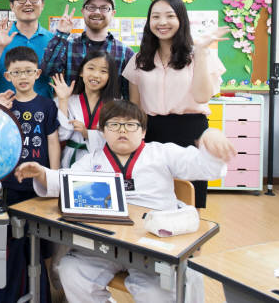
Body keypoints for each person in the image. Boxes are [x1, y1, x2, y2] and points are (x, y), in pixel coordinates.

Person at [15, 99, 236, 303]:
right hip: (106, 244)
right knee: (71, 271)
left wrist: (212, 143)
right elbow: (66, 181)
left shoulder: (162, 153)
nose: (122, 130)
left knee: (156, 293)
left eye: (130, 125)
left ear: (144, 131)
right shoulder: (92, 160)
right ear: (102, 131)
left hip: (152, 246)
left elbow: (203, 166)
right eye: (114, 125)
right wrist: (41, 173)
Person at [122, 0, 228, 208]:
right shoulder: (139, 58)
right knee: (153, 198)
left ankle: (191, 240)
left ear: (181, 19)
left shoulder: (200, 53)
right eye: (156, 16)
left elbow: (202, 97)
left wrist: (199, 52)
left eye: (170, 16)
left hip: (190, 129)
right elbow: (134, 106)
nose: (162, 22)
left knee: (189, 199)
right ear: (149, 21)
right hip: (151, 131)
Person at [0, 46, 60, 303]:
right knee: (14, 243)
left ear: (37, 73)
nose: (22, 76)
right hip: (11, 185)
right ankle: (11, 295)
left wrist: (53, 175)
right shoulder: (3, 105)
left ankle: (40, 296)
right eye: (16, 72)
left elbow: (53, 140)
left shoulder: (46, 104)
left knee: (40, 246)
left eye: (28, 71)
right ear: (7, 75)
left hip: (40, 186)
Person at [41, 0, 134, 98]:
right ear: (83, 11)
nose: (97, 12)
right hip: (73, 112)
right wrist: (61, 34)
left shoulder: (125, 52)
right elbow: (47, 70)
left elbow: (128, 95)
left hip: (110, 113)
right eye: (91, 7)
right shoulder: (68, 47)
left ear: (113, 13)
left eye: (104, 8)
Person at [0, 0, 54, 98]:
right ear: (12, 6)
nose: (28, 3)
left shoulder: (53, 40)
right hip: (5, 110)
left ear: (42, 5)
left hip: (43, 112)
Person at [51, 51, 119, 168]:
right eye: (91, 68)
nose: (96, 75)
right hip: (71, 160)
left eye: (103, 71)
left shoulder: (116, 105)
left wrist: (87, 133)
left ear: (110, 76)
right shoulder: (68, 100)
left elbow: (116, 138)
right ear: (82, 72)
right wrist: (63, 100)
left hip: (103, 162)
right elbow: (62, 135)